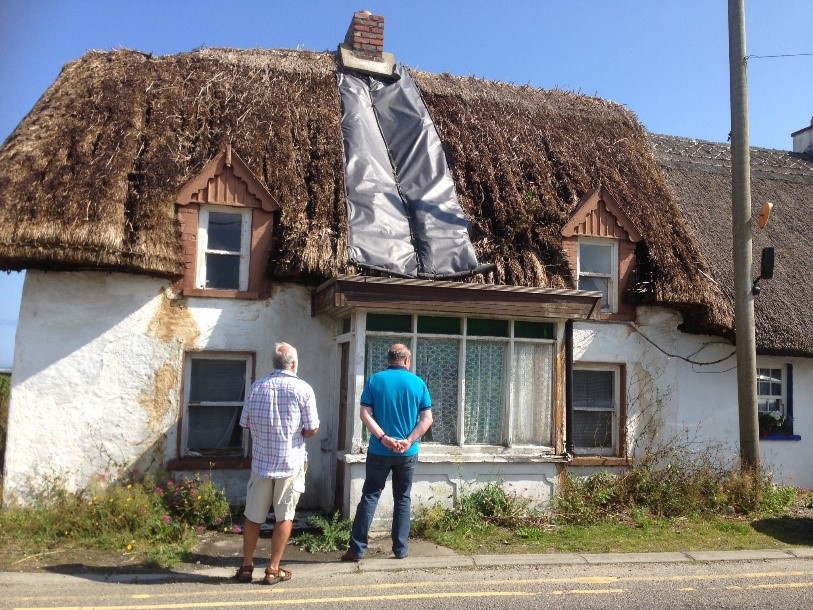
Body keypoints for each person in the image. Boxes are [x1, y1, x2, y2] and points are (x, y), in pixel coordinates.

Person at [234, 342, 319, 585]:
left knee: (253, 516)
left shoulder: (256, 387)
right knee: (285, 516)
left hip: (261, 462)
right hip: (290, 462)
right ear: (293, 363)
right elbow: (312, 428)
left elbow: (245, 423)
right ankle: (272, 569)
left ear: (274, 363)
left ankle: (247, 566)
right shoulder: (303, 389)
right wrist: (299, 433)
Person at [342, 343, 433, 561]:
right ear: (406, 361)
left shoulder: (375, 380)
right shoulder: (418, 383)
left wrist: (383, 438)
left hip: (379, 450)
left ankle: (357, 549)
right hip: (407, 453)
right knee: (402, 498)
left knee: (370, 495)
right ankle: (400, 549)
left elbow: (364, 414)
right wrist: (408, 440)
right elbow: (427, 419)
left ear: (389, 359)